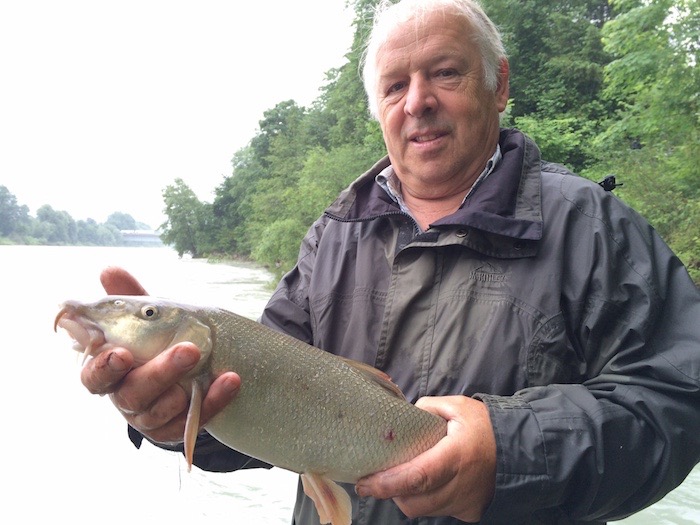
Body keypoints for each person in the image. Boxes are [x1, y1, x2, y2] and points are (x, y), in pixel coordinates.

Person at [82, 0, 700, 523]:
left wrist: (508, 449)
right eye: (395, 85)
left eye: (446, 73)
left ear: (500, 84)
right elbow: (264, 415)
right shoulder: (331, 237)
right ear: (377, 105)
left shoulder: (593, 228)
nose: (418, 102)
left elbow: (677, 401)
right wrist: (170, 413)